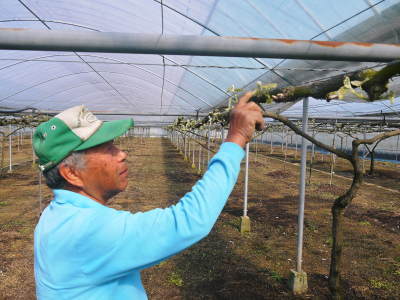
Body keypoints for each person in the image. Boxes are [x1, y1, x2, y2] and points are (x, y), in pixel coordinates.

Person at [33, 92, 264, 299]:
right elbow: (188, 220)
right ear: (71, 172)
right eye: (107, 149)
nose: (122, 154)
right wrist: (236, 138)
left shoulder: (56, 216)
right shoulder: (86, 232)